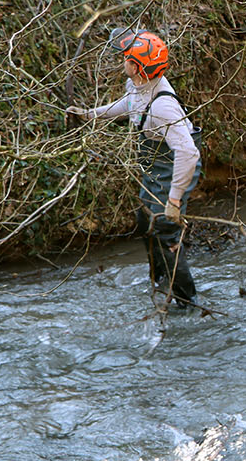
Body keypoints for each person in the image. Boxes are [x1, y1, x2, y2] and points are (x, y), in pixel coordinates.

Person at [67, 28, 202, 311]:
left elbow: (189, 154)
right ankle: (160, 280)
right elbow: (129, 105)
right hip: (155, 161)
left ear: (138, 68)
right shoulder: (138, 85)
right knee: (145, 220)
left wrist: (174, 200)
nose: (123, 61)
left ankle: (187, 301)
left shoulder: (163, 107)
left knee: (164, 230)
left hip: (175, 163)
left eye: (127, 59)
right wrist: (90, 115)